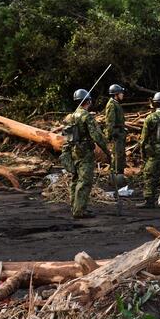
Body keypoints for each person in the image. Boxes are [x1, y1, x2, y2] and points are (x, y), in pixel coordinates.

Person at [62, 89, 111, 219]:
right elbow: (96, 135)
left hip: (73, 151)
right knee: (84, 181)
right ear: (88, 101)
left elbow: (65, 138)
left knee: (75, 179)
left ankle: (75, 206)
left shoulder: (69, 117)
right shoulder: (86, 116)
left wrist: (66, 154)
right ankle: (79, 210)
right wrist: (107, 150)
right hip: (85, 152)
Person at [104, 84, 126, 175]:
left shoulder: (116, 103)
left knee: (120, 156)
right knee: (116, 157)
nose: (122, 95)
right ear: (116, 94)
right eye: (121, 93)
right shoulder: (111, 105)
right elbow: (110, 122)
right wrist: (111, 135)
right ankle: (115, 178)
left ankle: (119, 176)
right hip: (116, 134)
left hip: (119, 133)